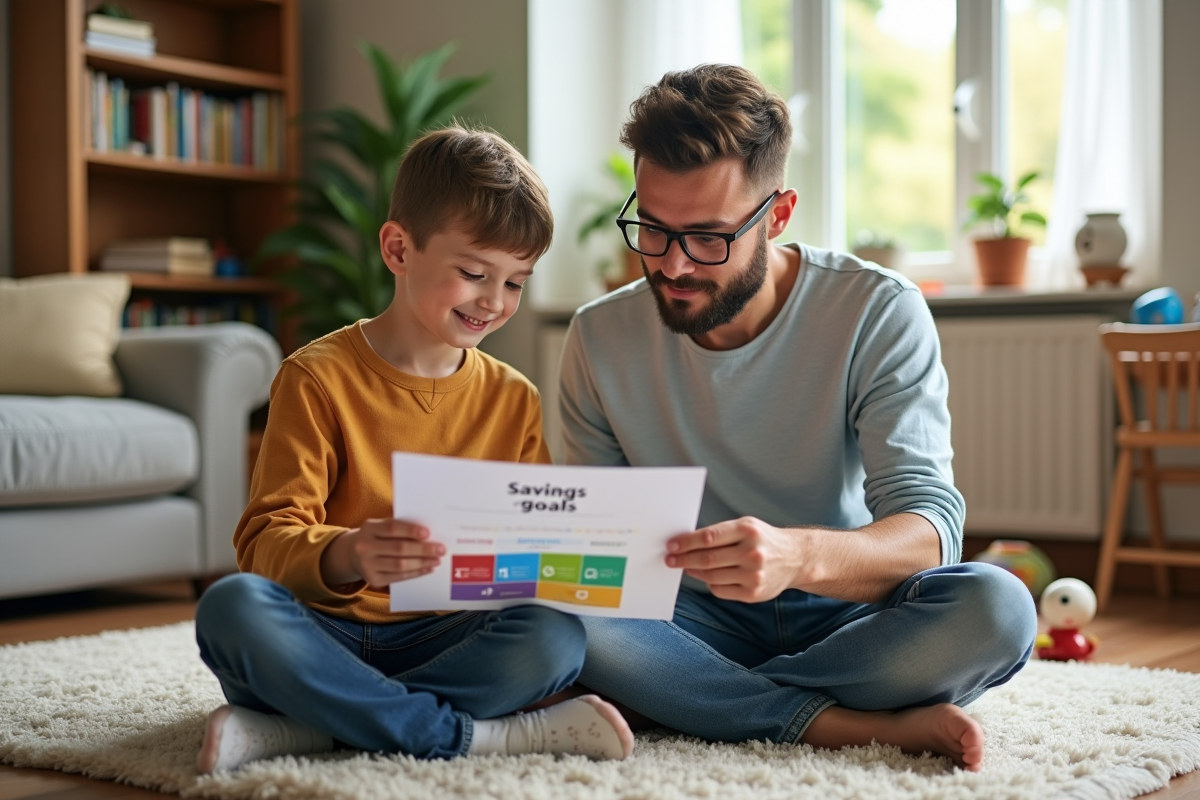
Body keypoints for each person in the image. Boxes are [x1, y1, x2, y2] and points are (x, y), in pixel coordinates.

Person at [559, 65, 1037, 772]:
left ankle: (693, 701)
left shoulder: (876, 309)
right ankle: (835, 721)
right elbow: (592, 562)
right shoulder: (598, 337)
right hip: (686, 619)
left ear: (777, 215)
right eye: (652, 231)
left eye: (708, 238)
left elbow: (930, 532)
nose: (673, 265)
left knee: (998, 608)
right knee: (557, 622)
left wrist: (797, 557)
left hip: (845, 609)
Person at [193, 126, 634, 773]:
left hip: (445, 635)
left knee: (556, 637)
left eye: (515, 282)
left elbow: (532, 551)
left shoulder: (513, 398)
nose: (495, 301)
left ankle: (308, 729)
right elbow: (263, 544)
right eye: (474, 273)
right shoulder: (316, 377)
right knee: (231, 608)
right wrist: (347, 551)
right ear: (399, 249)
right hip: (326, 632)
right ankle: (474, 737)